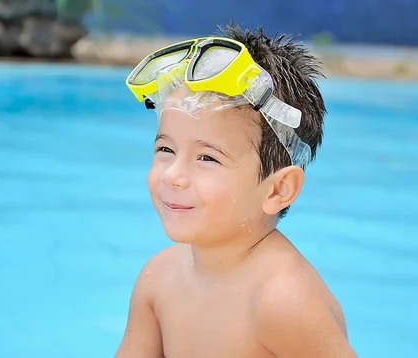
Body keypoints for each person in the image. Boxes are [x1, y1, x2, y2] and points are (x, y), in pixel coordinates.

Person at [115, 22, 358, 358]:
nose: (173, 175)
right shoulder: (158, 279)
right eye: (166, 150)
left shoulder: (283, 301)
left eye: (207, 158)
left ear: (278, 190)